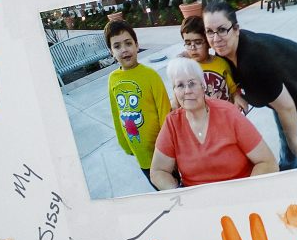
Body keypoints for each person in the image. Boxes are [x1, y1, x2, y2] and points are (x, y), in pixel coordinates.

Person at [200, 0, 297, 170]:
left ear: (236, 29)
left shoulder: (254, 62)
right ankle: (286, 171)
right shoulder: (224, 52)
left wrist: (293, 138)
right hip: (286, 91)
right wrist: (237, 94)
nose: (215, 39)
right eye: (209, 31)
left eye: (222, 30)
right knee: (287, 142)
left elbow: (286, 108)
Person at [149, 52, 277, 189]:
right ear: (174, 92)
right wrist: (181, 194)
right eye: (180, 85)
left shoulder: (228, 113)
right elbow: (158, 171)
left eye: (192, 84)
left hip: (239, 191)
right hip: (198, 198)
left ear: (203, 86)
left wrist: (244, 193)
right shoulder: (172, 123)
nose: (187, 91)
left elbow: (267, 162)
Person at [103, 19, 171, 190]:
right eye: (117, 46)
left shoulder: (151, 76)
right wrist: (124, 143)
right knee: (158, 188)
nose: (124, 50)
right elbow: (116, 113)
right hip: (140, 152)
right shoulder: (113, 79)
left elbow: (165, 112)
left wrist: (167, 146)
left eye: (128, 43)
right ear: (111, 52)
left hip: (162, 151)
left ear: (137, 45)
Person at [179, 13, 242, 108]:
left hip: (224, 113)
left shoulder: (222, 64)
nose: (193, 48)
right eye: (188, 43)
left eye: (198, 42)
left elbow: (233, 89)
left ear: (208, 42)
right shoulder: (185, 68)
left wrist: (237, 97)